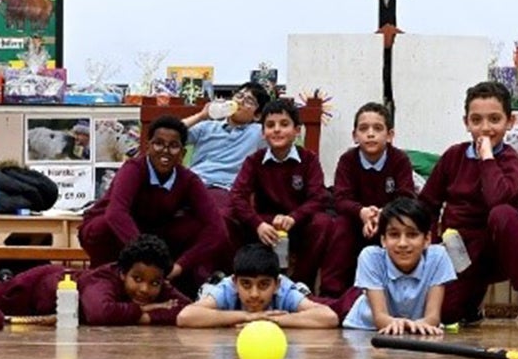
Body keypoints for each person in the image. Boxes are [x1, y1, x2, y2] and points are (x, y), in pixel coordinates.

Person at [419, 81, 518, 329]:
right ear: (466, 123)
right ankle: (471, 303)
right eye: (477, 120)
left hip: (499, 250)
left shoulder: (510, 159)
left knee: (503, 213)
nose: (485, 128)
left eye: (494, 119)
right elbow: (427, 204)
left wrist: (487, 159)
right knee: (448, 314)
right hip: (460, 251)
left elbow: (498, 199)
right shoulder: (453, 157)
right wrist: (431, 244)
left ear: (509, 122)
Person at [78, 116, 226, 295]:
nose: (165, 151)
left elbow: (217, 228)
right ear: (147, 147)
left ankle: (183, 282)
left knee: (193, 226)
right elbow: (116, 213)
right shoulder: (133, 168)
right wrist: (148, 256)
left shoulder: (189, 179)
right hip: (111, 231)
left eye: (173, 146)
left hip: (151, 233)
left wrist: (181, 265)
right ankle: (106, 280)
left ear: (183, 153)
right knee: (105, 226)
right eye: (159, 143)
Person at [229, 99, 331, 290]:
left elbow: (319, 197)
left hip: (297, 222)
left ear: (297, 130)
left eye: (284, 124)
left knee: (323, 223)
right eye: (270, 125)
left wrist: (294, 218)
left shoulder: (308, 160)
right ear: (262, 132)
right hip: (265, 224)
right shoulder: (254, 161)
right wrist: (257, 224)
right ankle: (239, 279)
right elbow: (237, 196)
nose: (277, 130)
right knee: (229, 218)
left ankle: (301, 283)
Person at [317, 102, 416, 297]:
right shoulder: (348, 160)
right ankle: (332, 293)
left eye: (378, 128)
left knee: (402, 228)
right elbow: (341, 198)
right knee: (340, 226)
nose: (370, 134)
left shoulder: (399, 159)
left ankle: (397, 293)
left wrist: (383, 215)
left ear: (390, 135)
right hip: (356, 221)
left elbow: (406, 196)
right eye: (363, 129)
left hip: (390, 219)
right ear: (355, 136)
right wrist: (361, 212)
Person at [0, 235, 190, 326]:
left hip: (46, 308)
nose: (144, 289)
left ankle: (4, 279)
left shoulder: (154, 283)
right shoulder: (104, 279)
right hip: (31, 288)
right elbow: (99, 313)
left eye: (155, 283)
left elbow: (188, 310)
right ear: (122, 273)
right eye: (137, 279)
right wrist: (147, 310)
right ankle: (4, 281)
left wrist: (148, 313)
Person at [335, 198, 456, 335]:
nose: (402, 243)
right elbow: (380, 318)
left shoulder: (438, 257)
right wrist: (403, 324)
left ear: (427, 239)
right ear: (383, 240)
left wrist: (415, 325)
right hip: (365, 330)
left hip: (418, 330)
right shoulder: (370, 257)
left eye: (412, 234)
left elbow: (433, 317)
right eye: (394, 235)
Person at [176, 244, 338, 329]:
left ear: (276, 284)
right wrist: (247, 316)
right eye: (246, 284)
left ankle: (301, 289)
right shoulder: (228, 288)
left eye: (263, 285)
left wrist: (272, 320)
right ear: (235, 282)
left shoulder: (284, 290)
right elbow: (185, 317)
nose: (254, 294)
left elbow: (329, 318)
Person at [182, 81, 271, 216]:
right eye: (239, 96)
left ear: (257, 115)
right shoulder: (207, 126)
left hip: (223, 188)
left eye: (249, 101)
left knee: (217, 215)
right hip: (192, 182)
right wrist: (200, 116)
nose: (240, 101)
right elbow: (169, 132)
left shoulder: (258, 133)